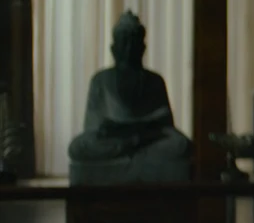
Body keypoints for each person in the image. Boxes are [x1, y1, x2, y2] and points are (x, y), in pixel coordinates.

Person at [67, 10, 194, 183]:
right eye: (124, 43)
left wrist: (143, 130)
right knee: (78, 148)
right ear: (113, 49)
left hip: (147, 140)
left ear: (142, 49)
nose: (128, 50)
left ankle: (131, 159)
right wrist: (120, 134)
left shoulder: (154, 80)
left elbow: (165, 125)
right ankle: (134, 160)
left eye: (133, 43)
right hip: (115, 141)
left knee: (181, 145)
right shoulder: (100, 80)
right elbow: (93, 127)